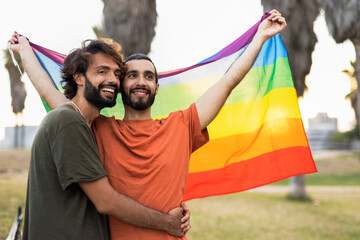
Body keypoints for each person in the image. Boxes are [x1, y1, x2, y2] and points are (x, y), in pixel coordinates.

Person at [11, 9, 286, 240]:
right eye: (130, 75)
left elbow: (227, 83)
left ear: (156, 86)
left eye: (148, 76)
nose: (140, 81)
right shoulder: (96, 128)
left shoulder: (181, 125)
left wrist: (260, 38)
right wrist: (24, 50)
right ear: (121, 86)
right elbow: (51, 93)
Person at [9, 36, 190, 240]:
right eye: (102, 71)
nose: (112, 80)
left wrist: (25, 52)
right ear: (78, 77)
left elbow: (48, 91)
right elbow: (107, 202)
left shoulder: (78, 121)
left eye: (116, 74)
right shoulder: (69, 122)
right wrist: (167, 222)